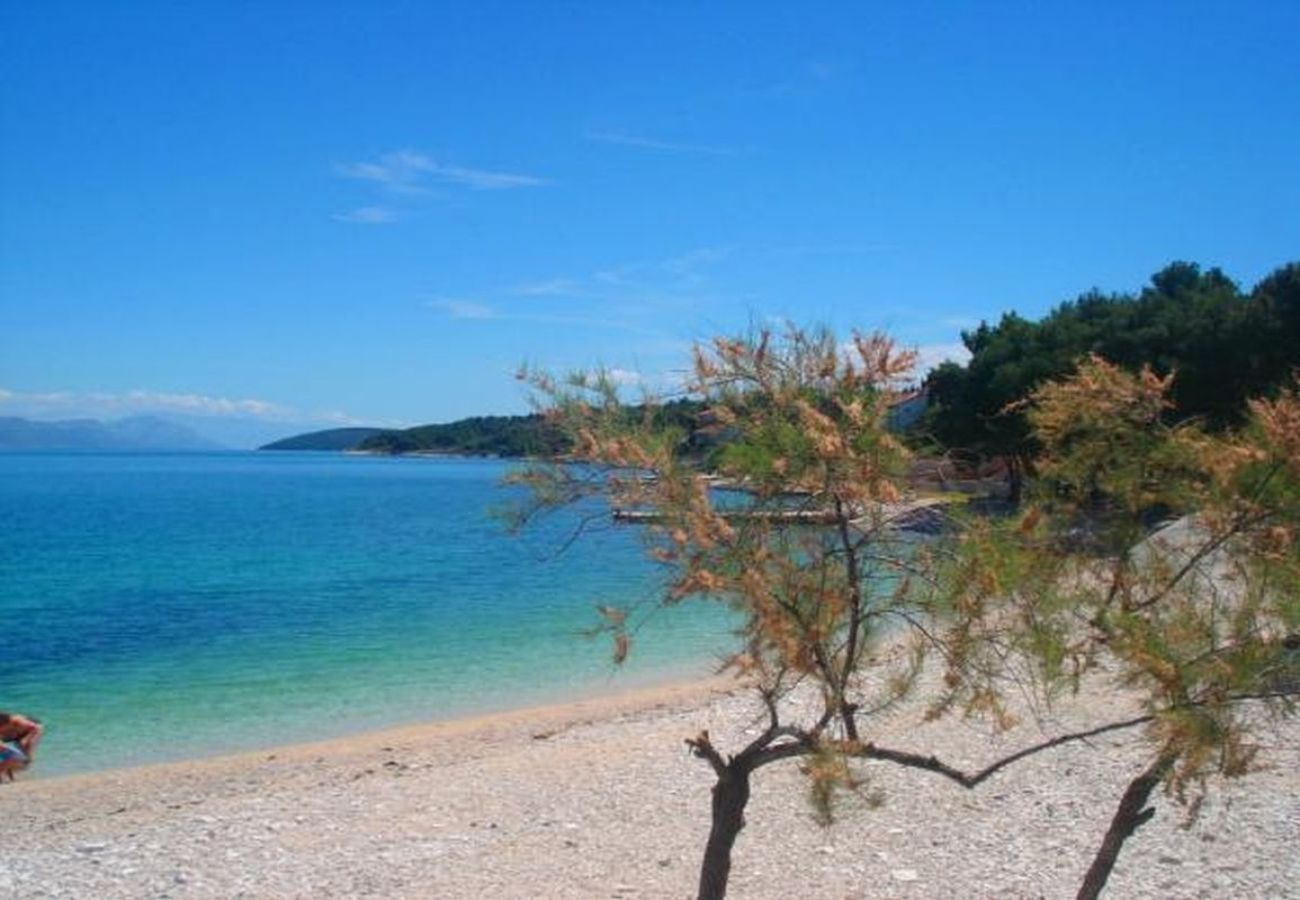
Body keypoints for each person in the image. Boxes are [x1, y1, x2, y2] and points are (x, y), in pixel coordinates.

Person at [0, 711, 43, 782]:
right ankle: (8, 776)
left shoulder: (16, 720)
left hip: (31, 730)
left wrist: (27, 740)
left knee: (25, 755)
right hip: (14, 734)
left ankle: (14, 770)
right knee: (8, 753)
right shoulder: (6, 726)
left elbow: (36, 728)